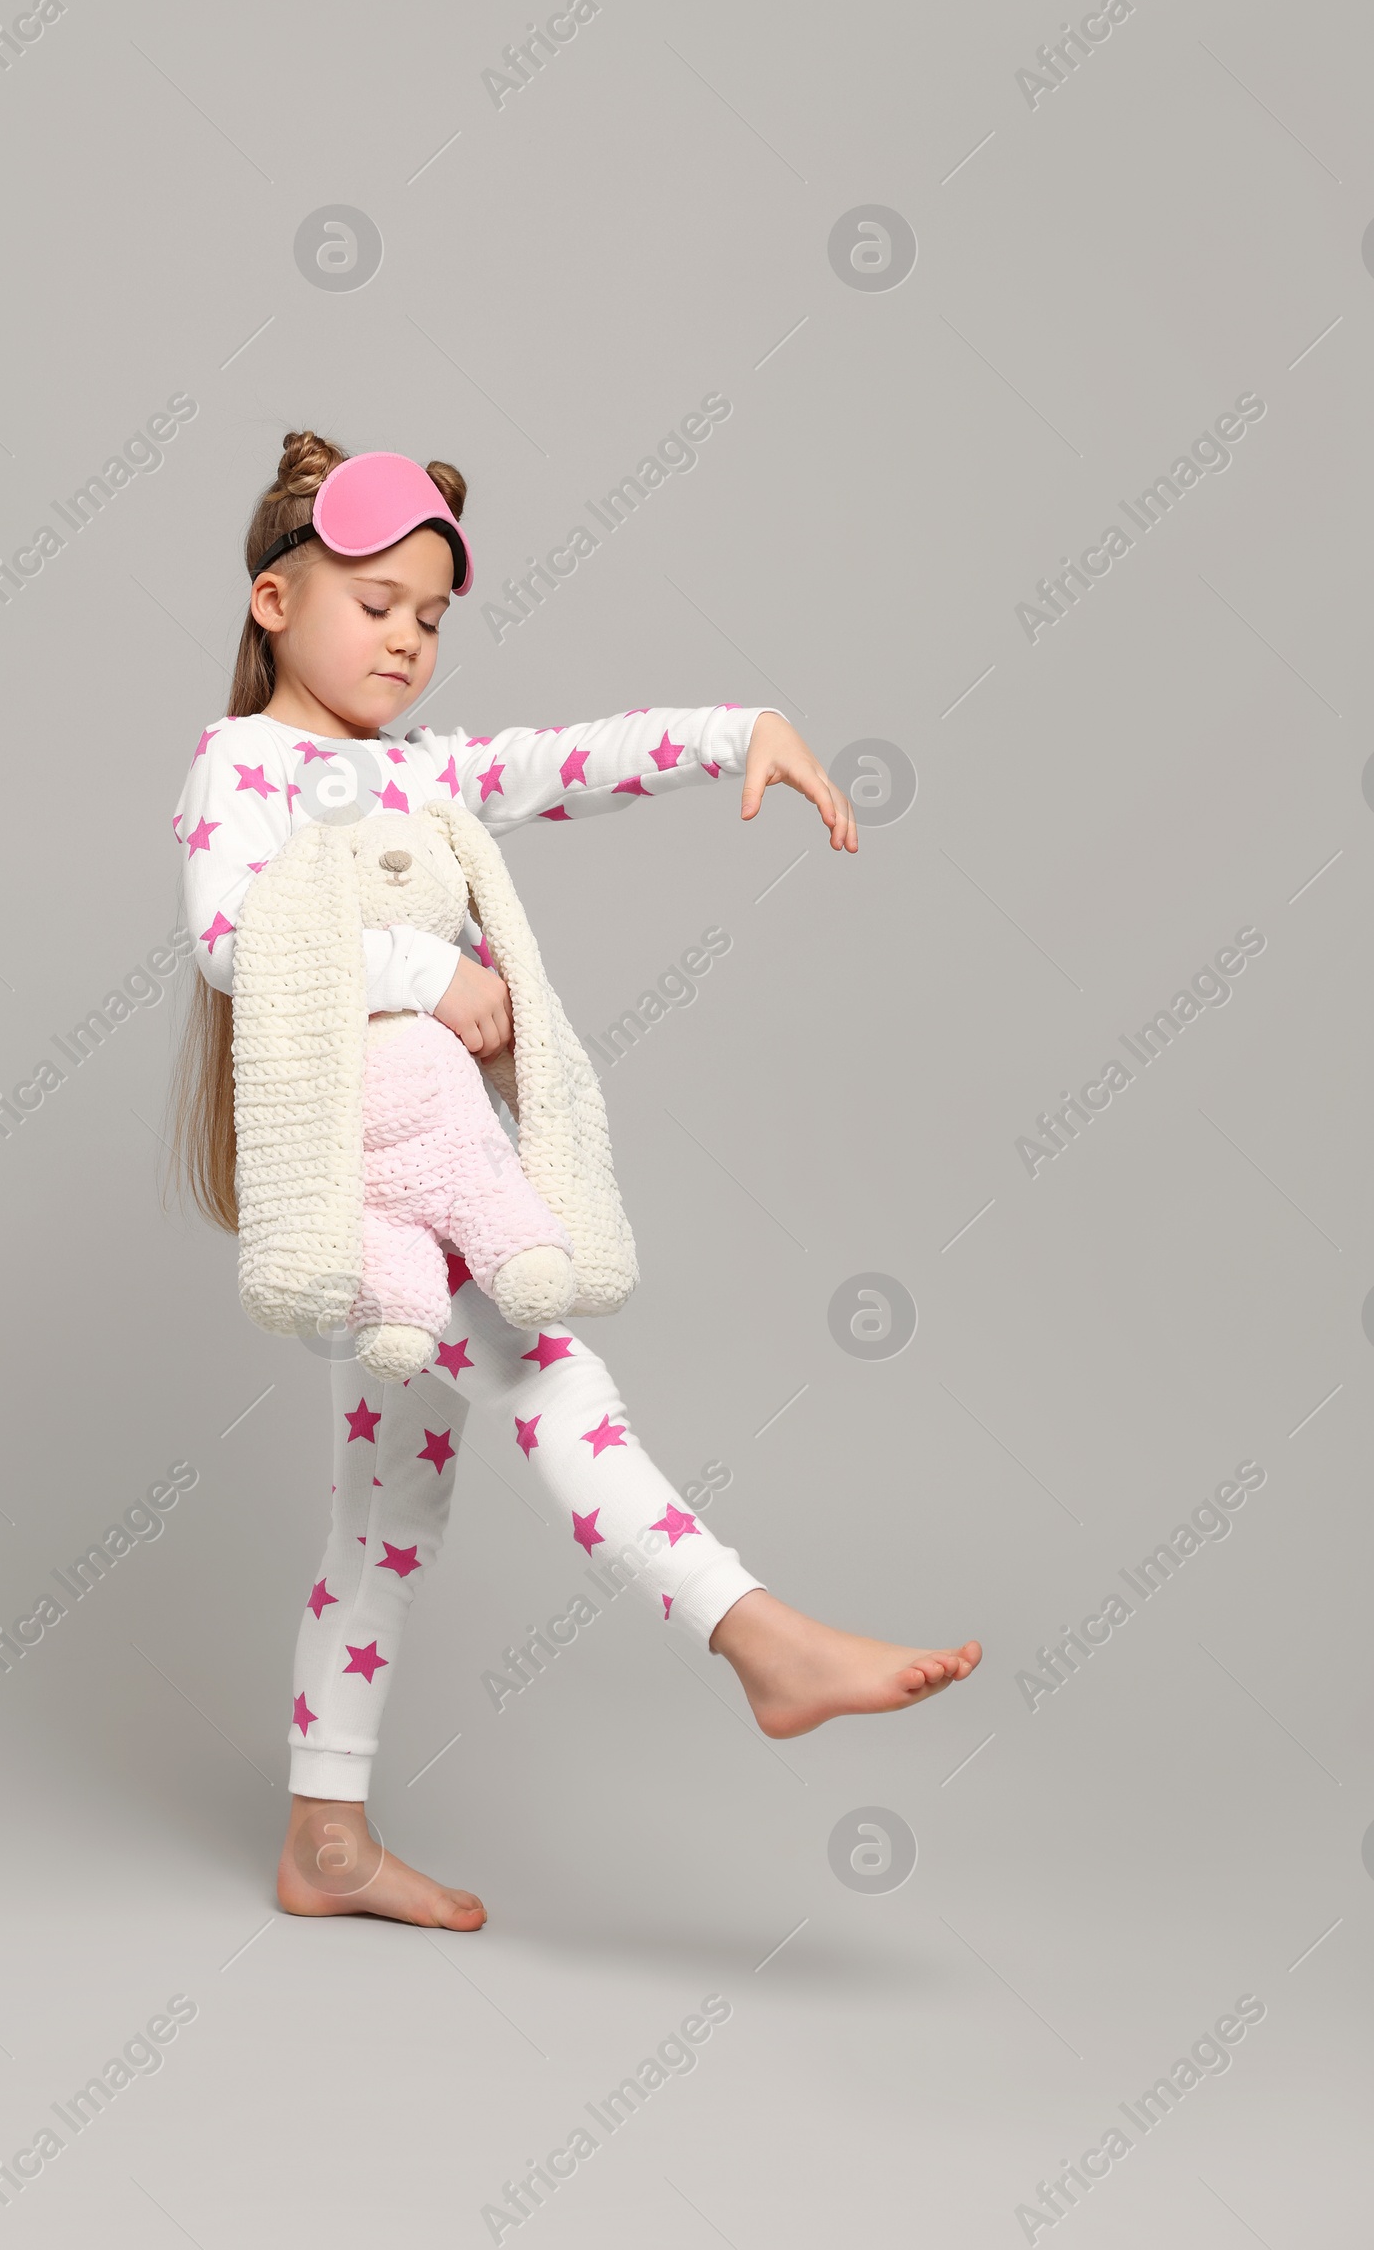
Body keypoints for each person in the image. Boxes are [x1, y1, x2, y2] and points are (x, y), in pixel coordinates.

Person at [169, 429, 981, 1930]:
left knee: (385, 1513)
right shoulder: (248, 765)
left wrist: (739, 731)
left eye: (432, 615)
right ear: (277, 604)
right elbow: (235, 941)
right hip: (376, 1187)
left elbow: (560, 762)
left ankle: (323, 1839)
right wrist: (434, 973)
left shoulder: (415, 769)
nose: (407, 637)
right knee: (551, 1377)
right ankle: (755, 1638)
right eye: (375, 602)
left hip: (434, 1171)